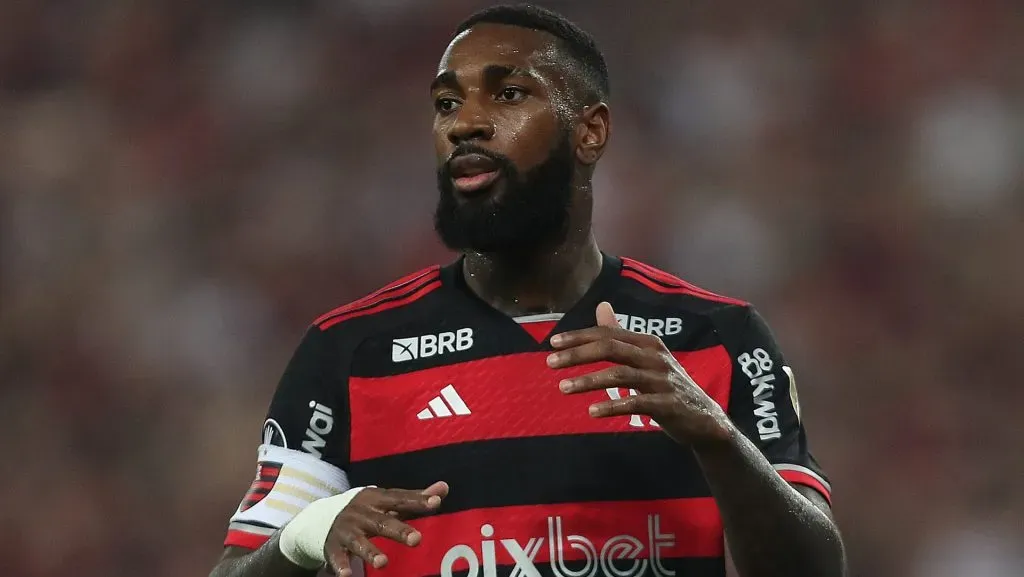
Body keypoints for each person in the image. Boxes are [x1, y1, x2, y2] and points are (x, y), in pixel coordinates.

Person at [209, 4, 846, 577]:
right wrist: (304, 536)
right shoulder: (349, 352)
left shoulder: (715, 338)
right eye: (447, 104)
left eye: (508, 94)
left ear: (590, 131)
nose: (465, 125)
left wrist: (719, 440)